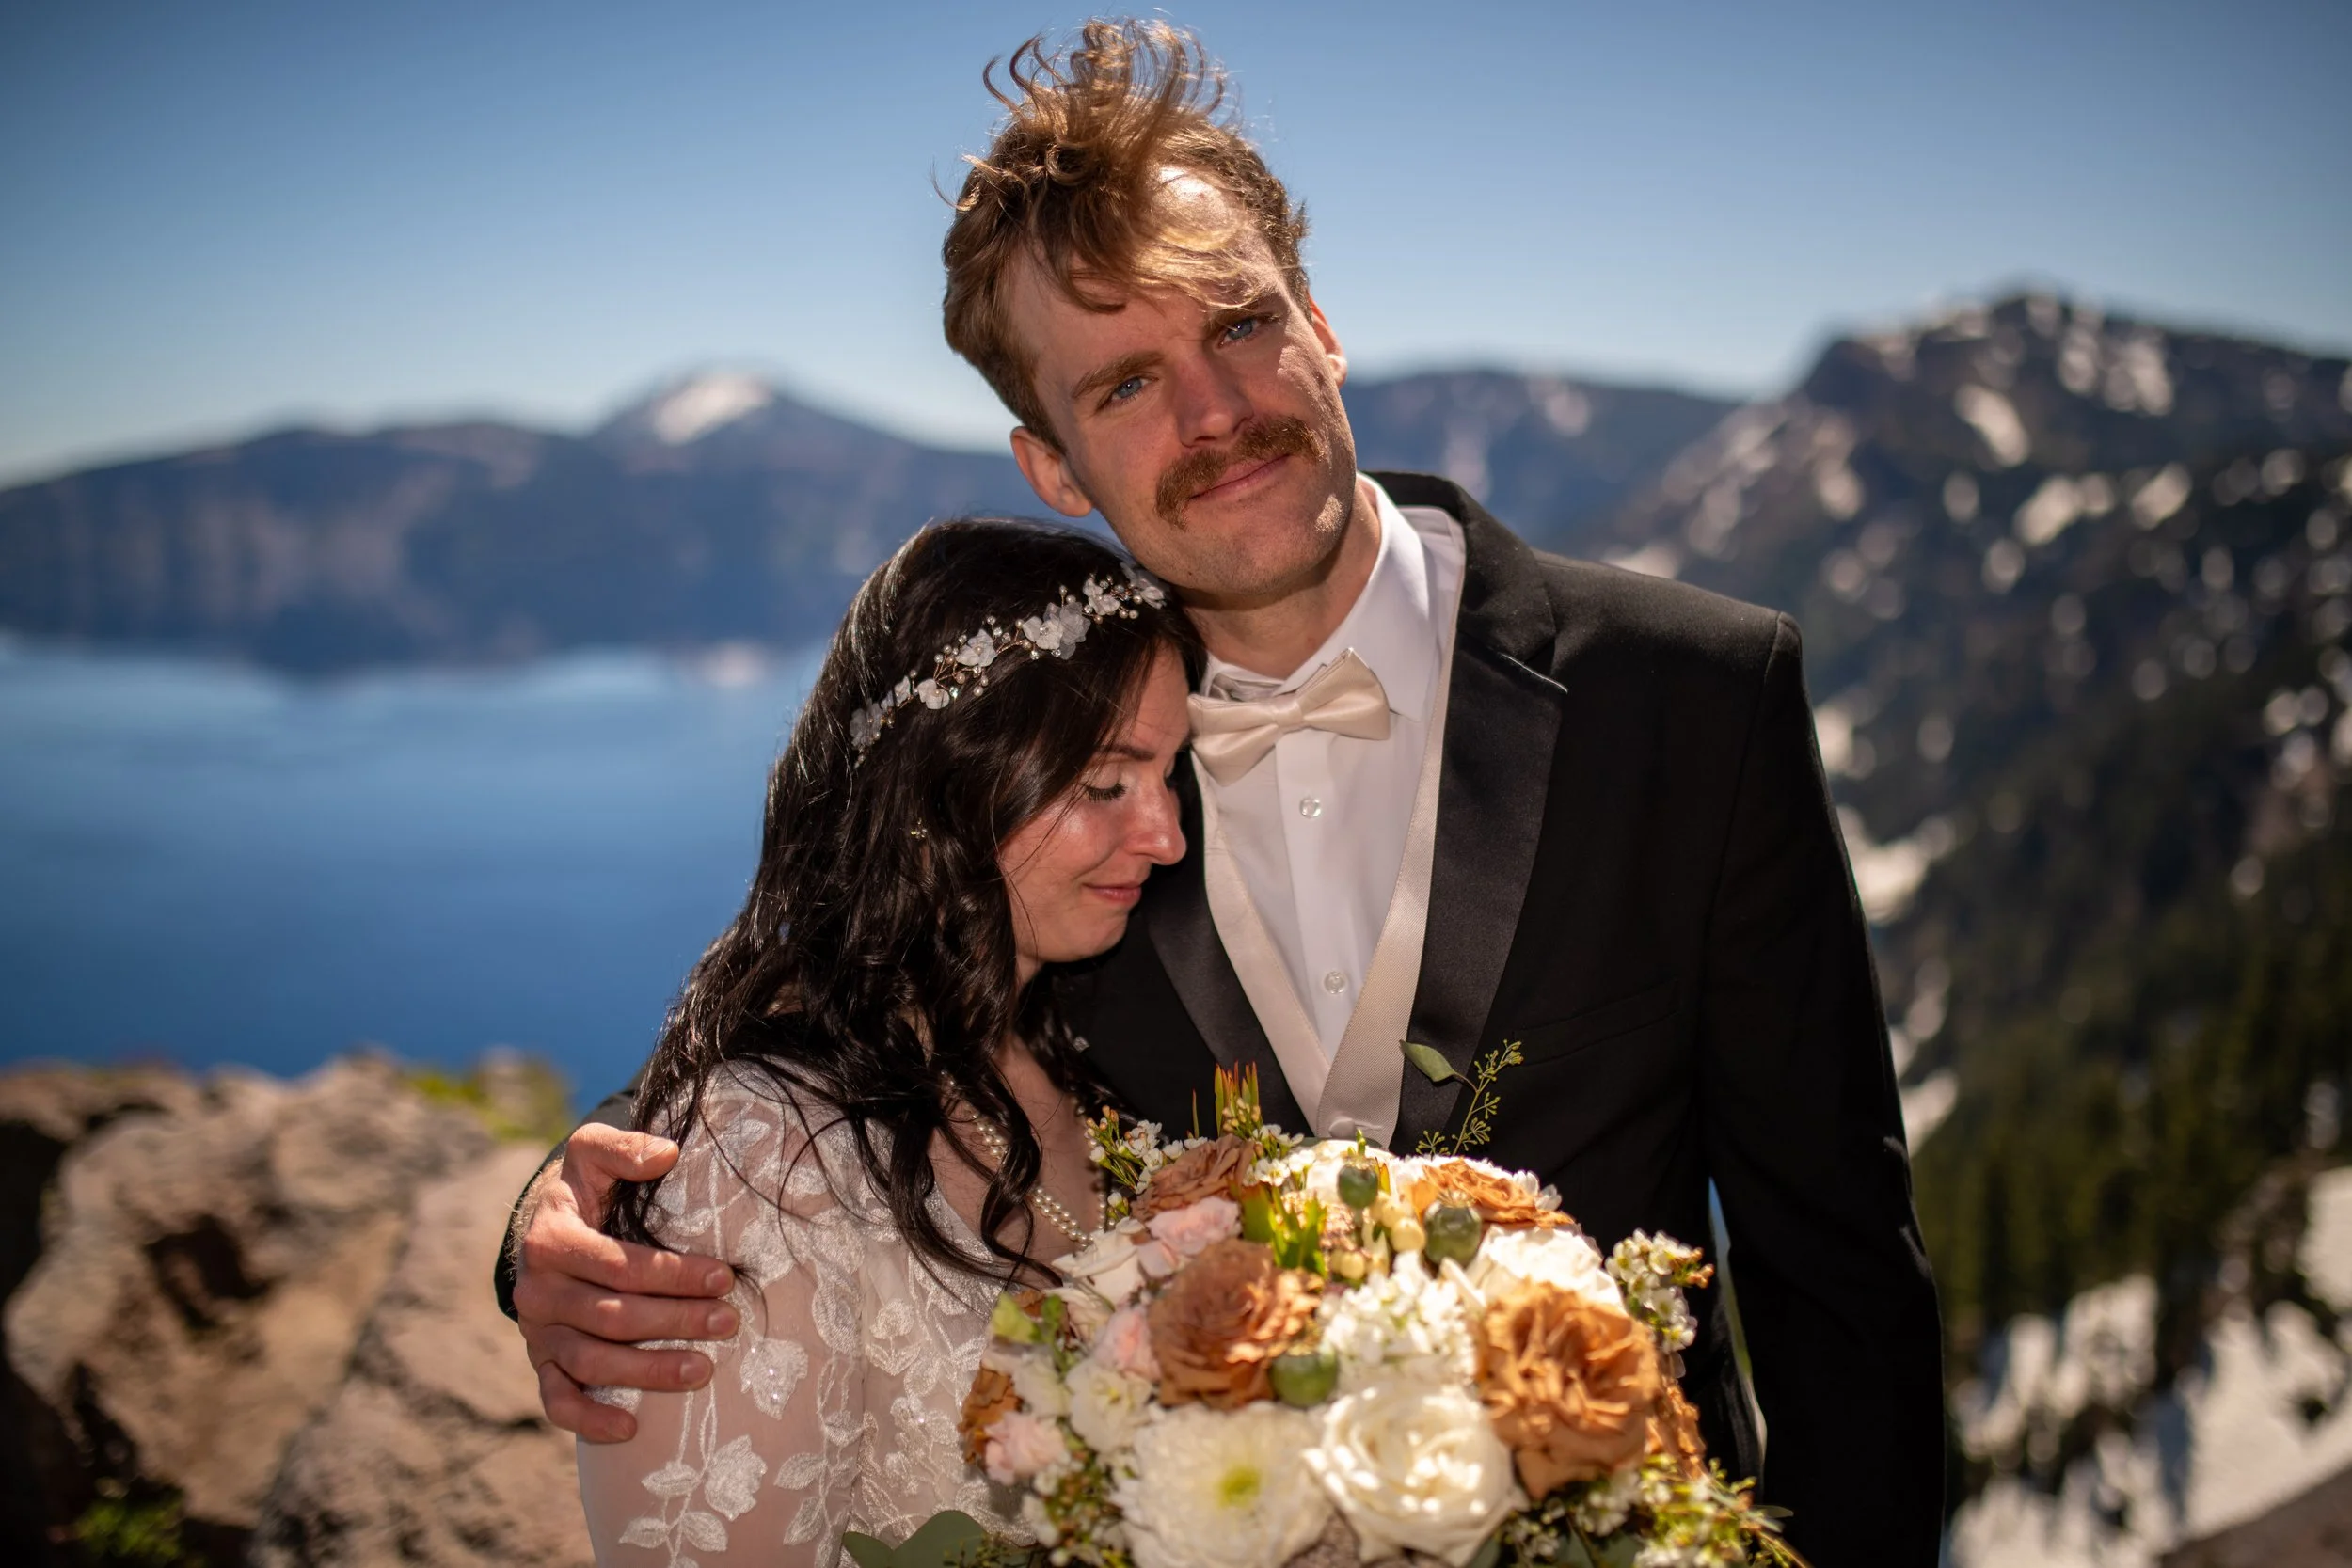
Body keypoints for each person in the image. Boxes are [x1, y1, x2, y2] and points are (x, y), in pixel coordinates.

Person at [512, 22, 1946, 1565]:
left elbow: (1841, 1281)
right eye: (1128, 381)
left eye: (1241, 323)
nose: (1214, 410)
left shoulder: (1694, 695)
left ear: (1321, 324)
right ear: (1053, 465)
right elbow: (840, 1006)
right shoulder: (1052, 774)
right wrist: (561, 1219)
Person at [570, 517, 1199, 1560]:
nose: (1167, 835)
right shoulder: (759, 1158)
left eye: (1171, 773)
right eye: (1106, 783)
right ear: (945, 783)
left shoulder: (1080, 1048)